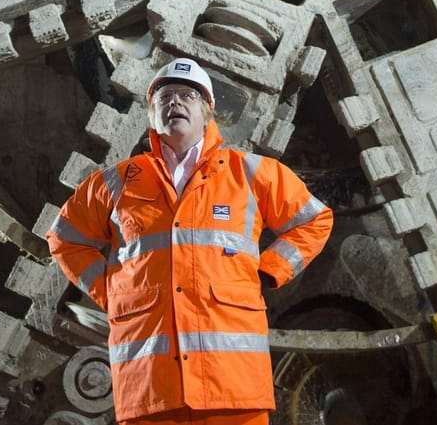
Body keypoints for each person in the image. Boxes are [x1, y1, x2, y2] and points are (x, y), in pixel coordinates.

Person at [47, 57, 334, 425]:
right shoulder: (115, 183)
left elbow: (314, 220)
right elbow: (64, 238)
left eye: (187, 95)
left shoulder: (251, 173)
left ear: (208, 111)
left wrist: (268, 271)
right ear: (151, 116)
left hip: (232, 387)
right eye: (164, 98)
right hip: (150, 390)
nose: (174, 103)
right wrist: (110, 291)